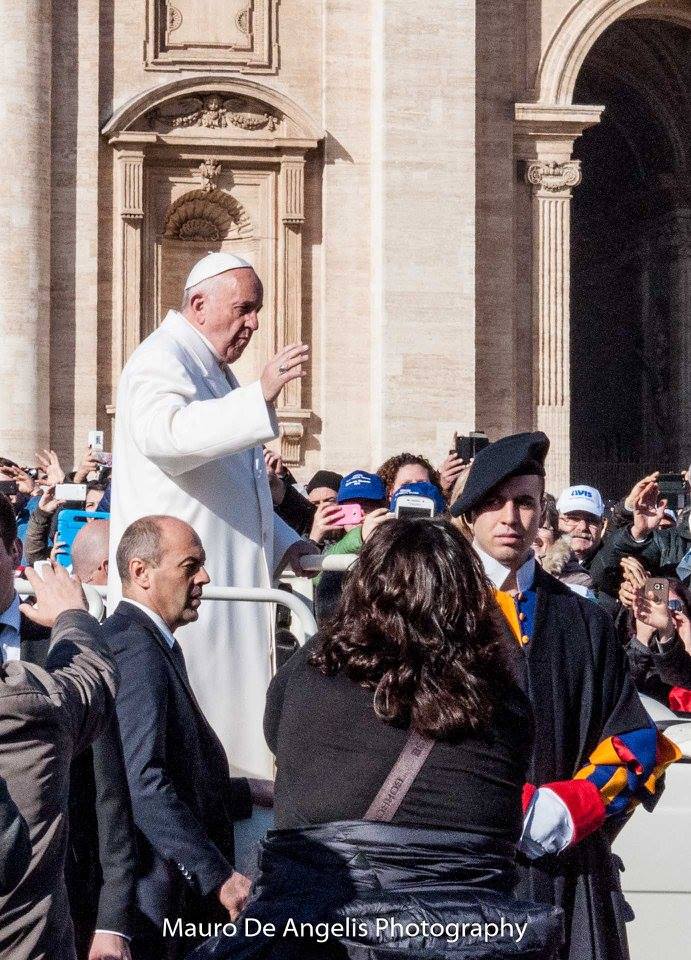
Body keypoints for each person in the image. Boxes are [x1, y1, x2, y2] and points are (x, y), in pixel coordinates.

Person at [190, 519, 563, 959]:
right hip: (468, 937)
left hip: (317, 932)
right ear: (470, 596)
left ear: (365, 585)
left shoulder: (311, 671)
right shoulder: (504, 700)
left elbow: (276, 736)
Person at [449, 432, 680, 960]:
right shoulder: (437, 613)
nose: (510, 517)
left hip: (570, 871)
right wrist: (499, 805)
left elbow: (634, 739)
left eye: (525, 502)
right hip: (466, 866)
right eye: (494, 502)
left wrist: (570, 807)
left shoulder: (584, 619)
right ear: (471, 513)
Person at [107, 252, 318, 777]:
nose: (254, 323)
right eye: (244, 308)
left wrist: (286, 543)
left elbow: (231, 489)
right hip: (187, 600)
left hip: (225, 596)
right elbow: (166, 438)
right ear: (199, 304)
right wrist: (259, 396)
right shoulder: (160, 359)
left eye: (257, 310)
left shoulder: (215, 373)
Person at [102, 516, 263, 959]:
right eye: (190, 566)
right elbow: (143, 782)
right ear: (141, 572)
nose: (204, 577)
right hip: (155, 901)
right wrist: (219, 876)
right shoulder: (137, 649)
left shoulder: (149, 643)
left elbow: (177, 772)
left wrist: (247, 791)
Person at [0, 561, 118, 960]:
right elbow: (89, 682)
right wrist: (73, 615)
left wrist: (111, 917)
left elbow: (110, 788)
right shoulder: (24, 702)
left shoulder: (43, 639)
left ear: (13, 550)